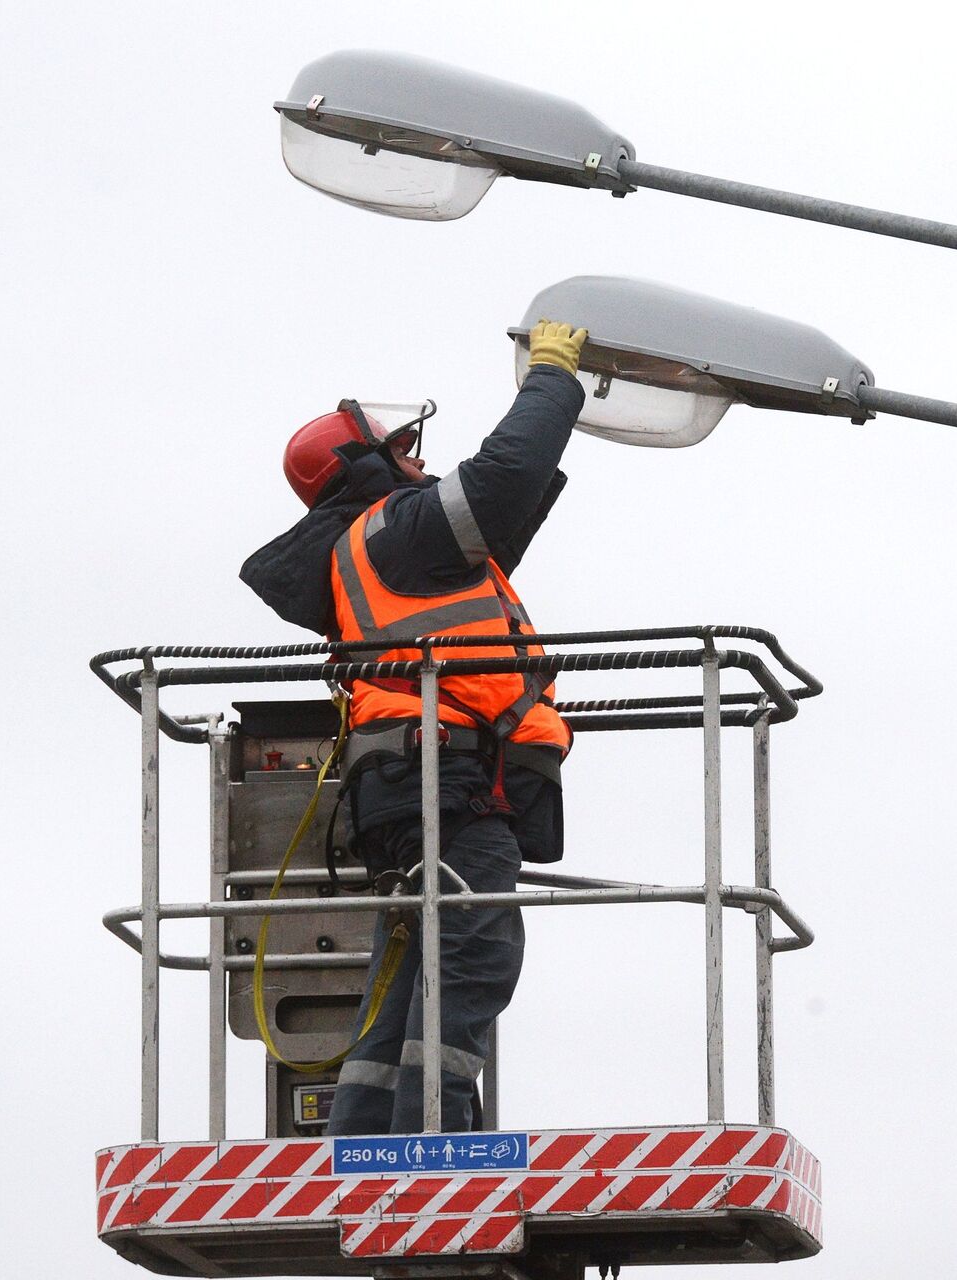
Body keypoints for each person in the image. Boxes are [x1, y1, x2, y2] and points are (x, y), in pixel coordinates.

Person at [240, 321, 588, 1134]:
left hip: (423, 782)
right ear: (367, 468)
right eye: (404, 449)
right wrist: (555, 378)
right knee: (475, 951)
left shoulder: (391, 549)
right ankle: (435, 1135)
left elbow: (510, 504)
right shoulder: (396, 531)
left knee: (416, 960)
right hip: (447, 783)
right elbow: (502, 479)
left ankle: (362, 1130)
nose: (422, 462)